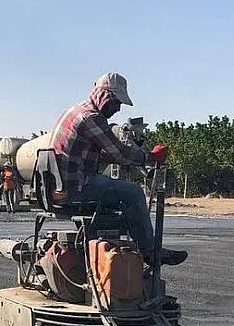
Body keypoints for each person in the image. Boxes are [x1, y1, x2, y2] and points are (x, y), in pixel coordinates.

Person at [47, 72, 186, 267]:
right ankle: (150, 252)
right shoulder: (91, 118)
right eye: (117, 103)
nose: (118, 109)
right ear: (106, 96)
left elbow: (93, 153)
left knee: (122, 193)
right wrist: (149, 157)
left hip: (62, 185)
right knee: (134, 193)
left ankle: (122, 252)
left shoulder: (74, 110)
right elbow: (119, 153)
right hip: (76, 188)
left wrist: (121, 157)